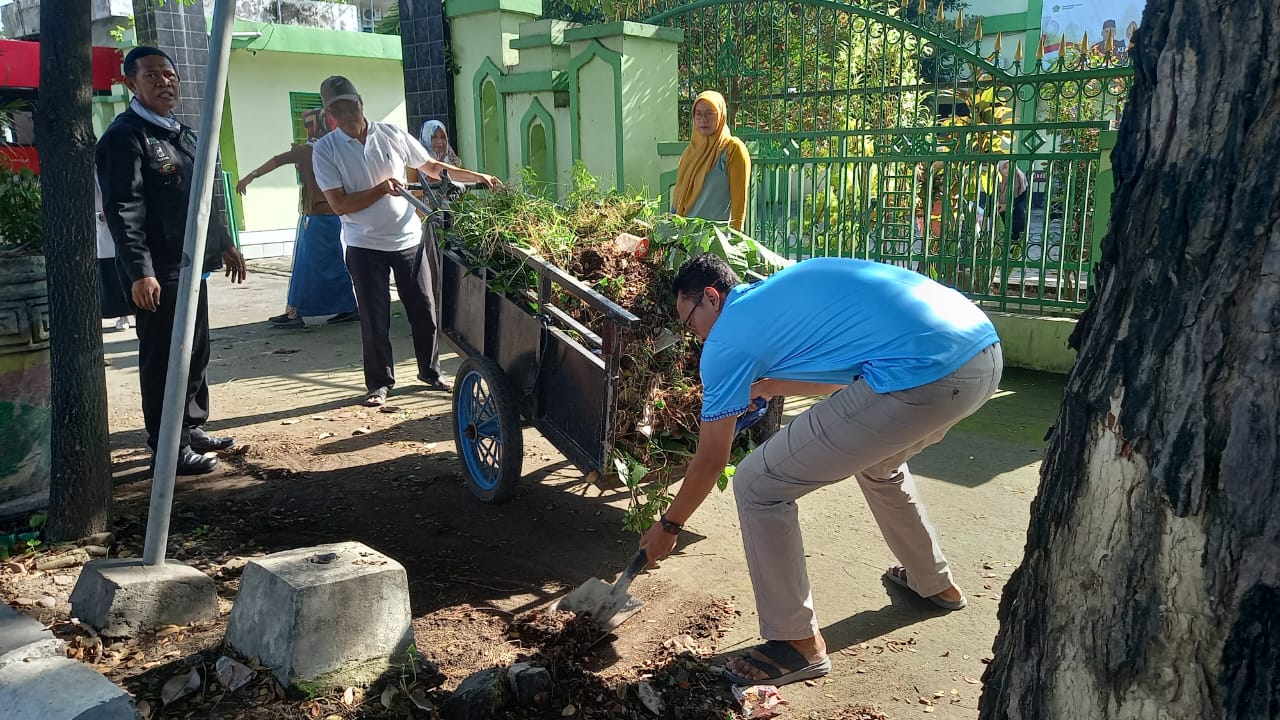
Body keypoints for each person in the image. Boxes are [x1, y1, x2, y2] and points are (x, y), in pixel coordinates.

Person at [638, 254, 1002, 687]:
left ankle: (796, 643)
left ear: (711, 298)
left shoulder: (725, 342)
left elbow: (711, 459)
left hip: (922, 376)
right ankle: (933, 582)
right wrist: (769, 387)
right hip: (980, 357)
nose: (694, 335)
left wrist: (670, 525)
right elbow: (845, 377)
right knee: (879, 465)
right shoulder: (781, 293)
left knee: (757, 484)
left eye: (690, 321)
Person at [96, 46, 247, 475]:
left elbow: (199, 197)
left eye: (169, 74)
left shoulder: (179, 132)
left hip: (191, 262)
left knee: (195, 350)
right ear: (131, 84)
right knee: (165, 357)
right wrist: (139, 272)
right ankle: (169, 449)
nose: (164, 82)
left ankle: (192, 427)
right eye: (152, 76)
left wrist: (222, 243)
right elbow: (124, 210)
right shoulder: (126, 137)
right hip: (159, 272)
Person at [310, 76, 499, 407]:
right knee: (374, 316)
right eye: (338, 111)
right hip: (363, 244)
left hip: (407, 238)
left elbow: (429, 166)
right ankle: (380, 383)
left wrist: (476, 176)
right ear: (331, 116)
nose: (347, 115)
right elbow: (339, 204)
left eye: (350, 106)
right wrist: (380, 189)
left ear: (360, 104)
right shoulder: (326, 151)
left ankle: (430, 371)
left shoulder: (392, 134)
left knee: (425, 309)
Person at [236, 108, 358, 329]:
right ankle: (346, 306)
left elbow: (278, 160)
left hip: (317, 217)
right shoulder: (336, 148)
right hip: (329, 215)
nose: (309, 129)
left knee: (307, 267)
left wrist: (250, 176)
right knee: (330, 264)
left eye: (310, 125)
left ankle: (296, 313)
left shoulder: (310, 150)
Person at [670, 90, 751, 231]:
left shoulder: (732, 150)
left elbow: (739, 201)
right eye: (699, 114)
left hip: (715, 241)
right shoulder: (690, 153)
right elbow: (678, 196)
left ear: (721, 115)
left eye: (709, 113)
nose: (703, 119)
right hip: (685, 240)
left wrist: (736, 237)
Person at [95, 179, 133, 331]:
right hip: (105, 231)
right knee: (114, 276)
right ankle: (122, 315)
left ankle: (134, 311)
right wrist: (99, 216)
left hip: (125, 227)